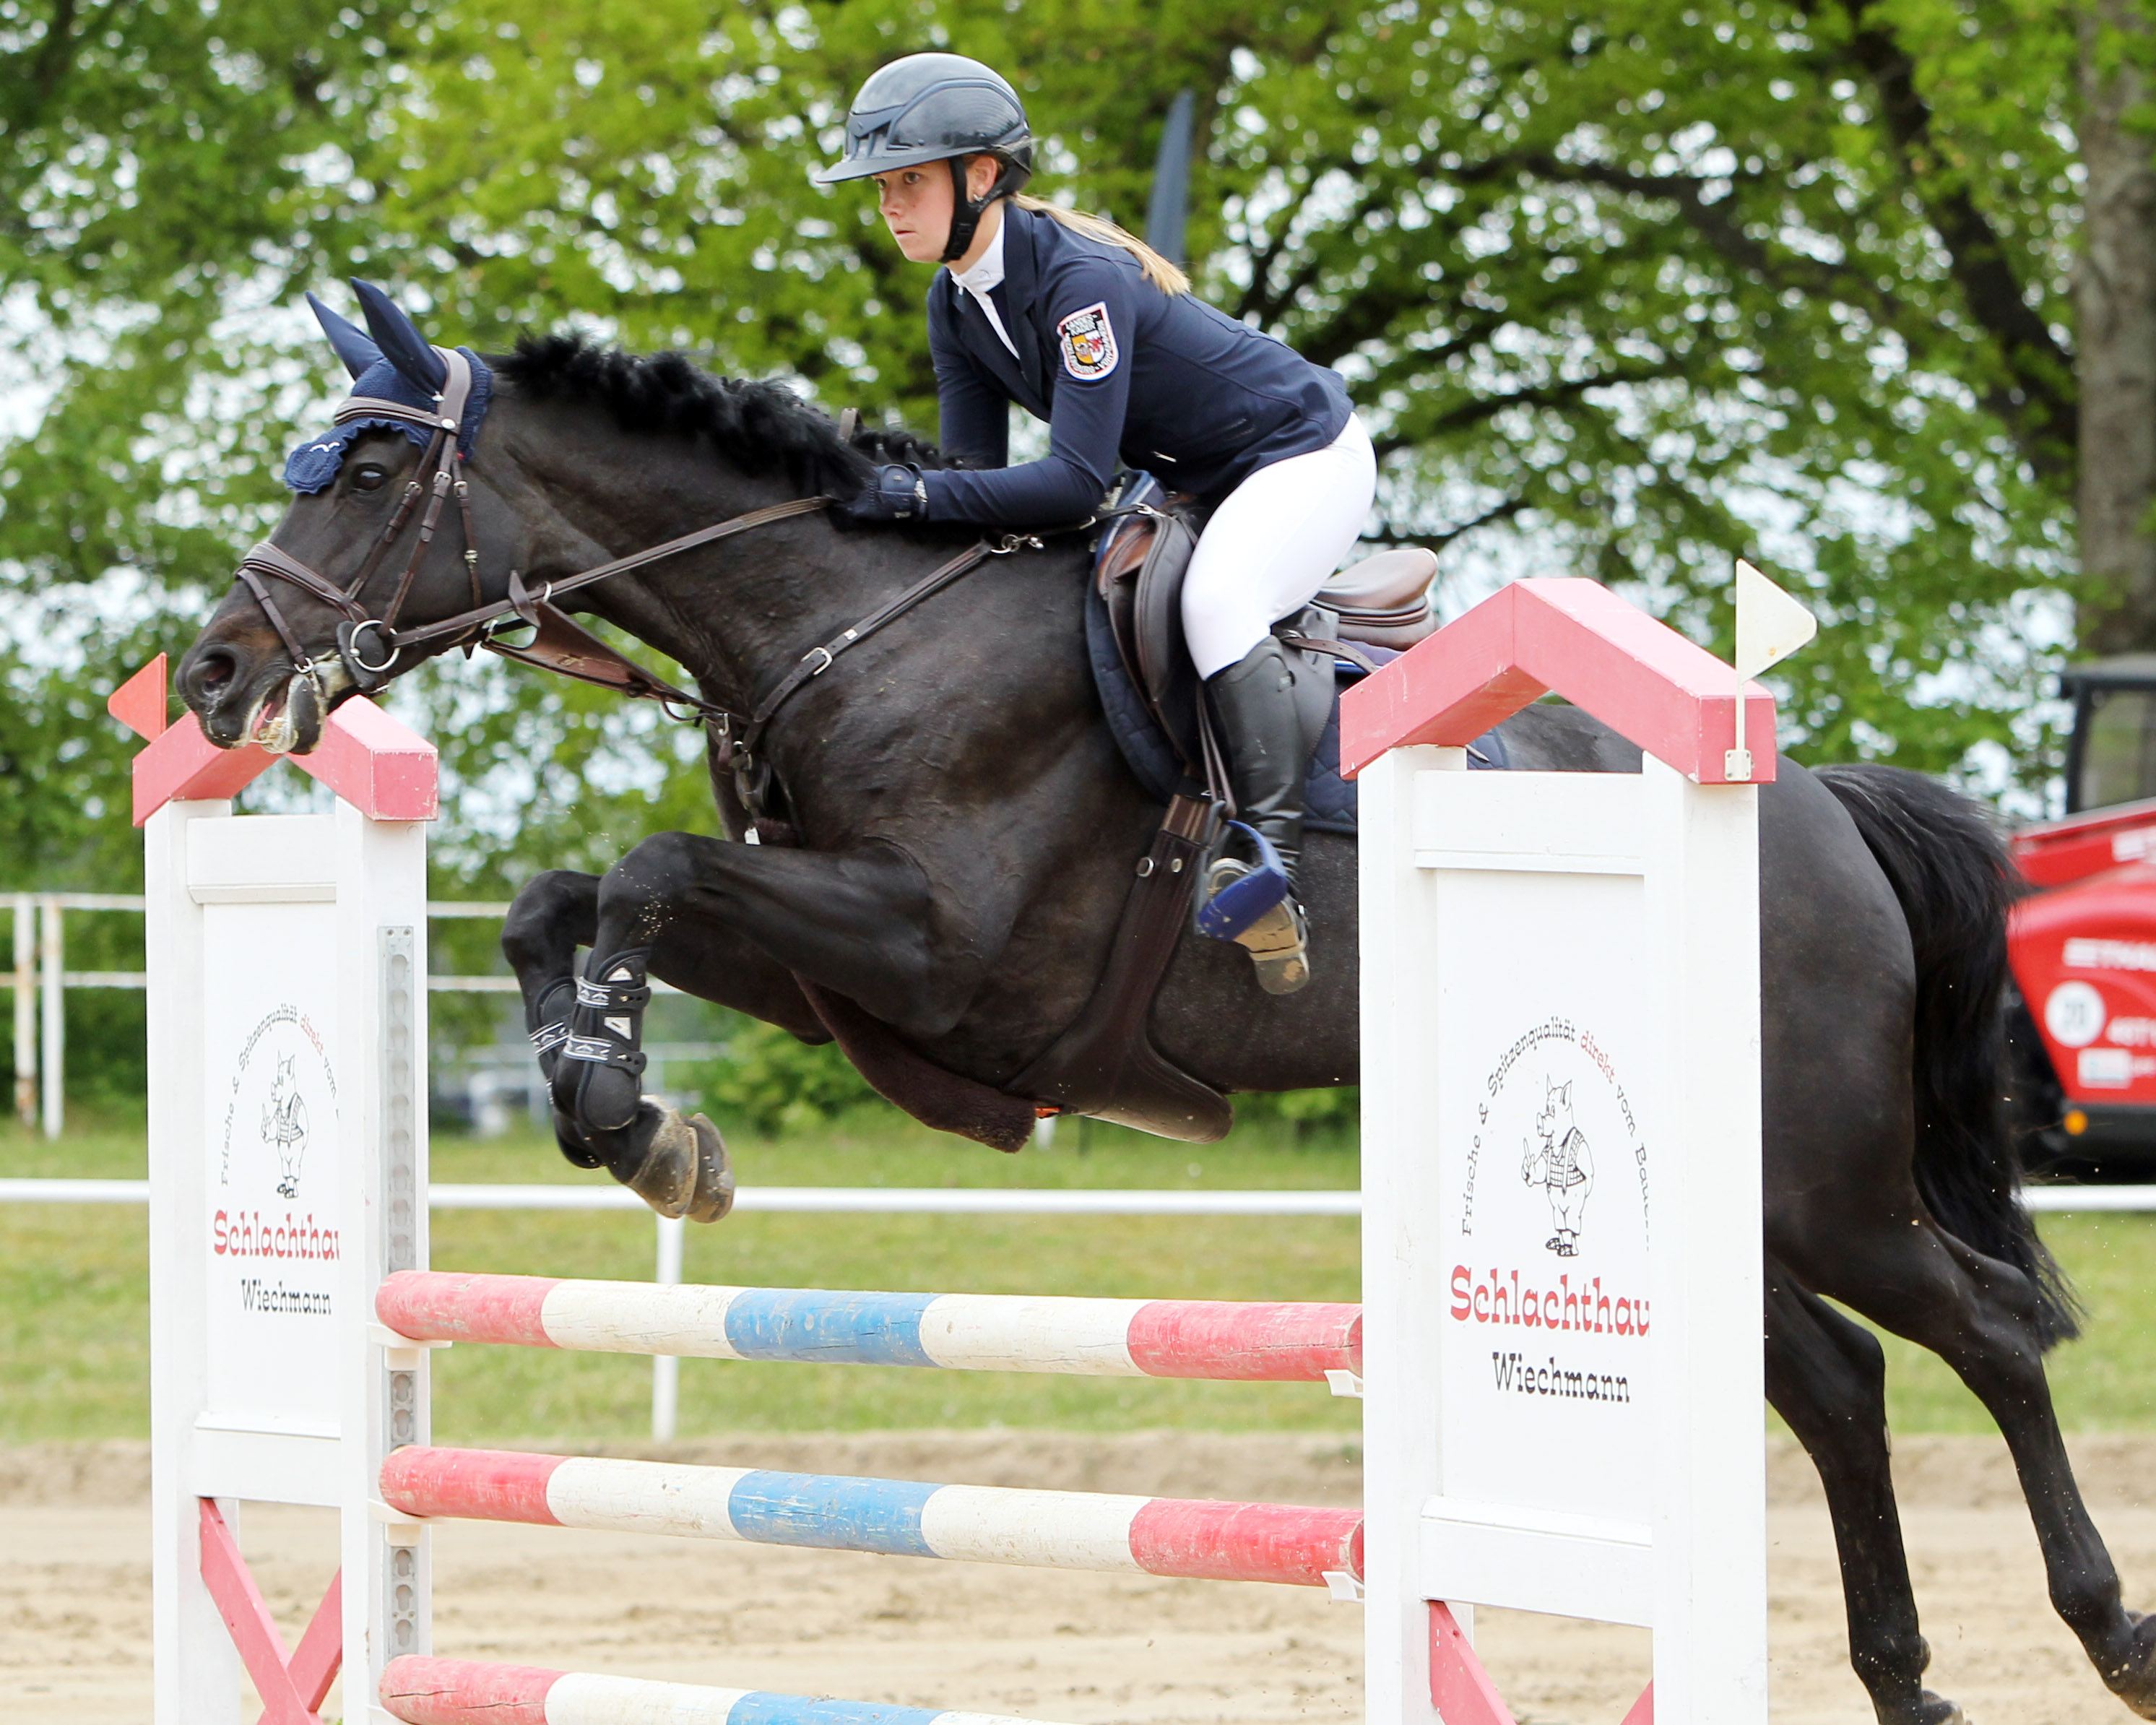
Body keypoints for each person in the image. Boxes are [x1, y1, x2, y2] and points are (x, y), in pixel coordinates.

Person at [817, 53, 1375, 995]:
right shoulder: (954, 304)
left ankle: (1270, 863)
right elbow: (973, 480)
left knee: (1218, 599)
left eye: (908, 179)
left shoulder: (1078, 282)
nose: (887, 203)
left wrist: (904, 496)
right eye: (881, 184)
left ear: (981, 176)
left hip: (1299, 457)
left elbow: (1074, 485)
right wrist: (895, 495)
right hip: (1195, 480)